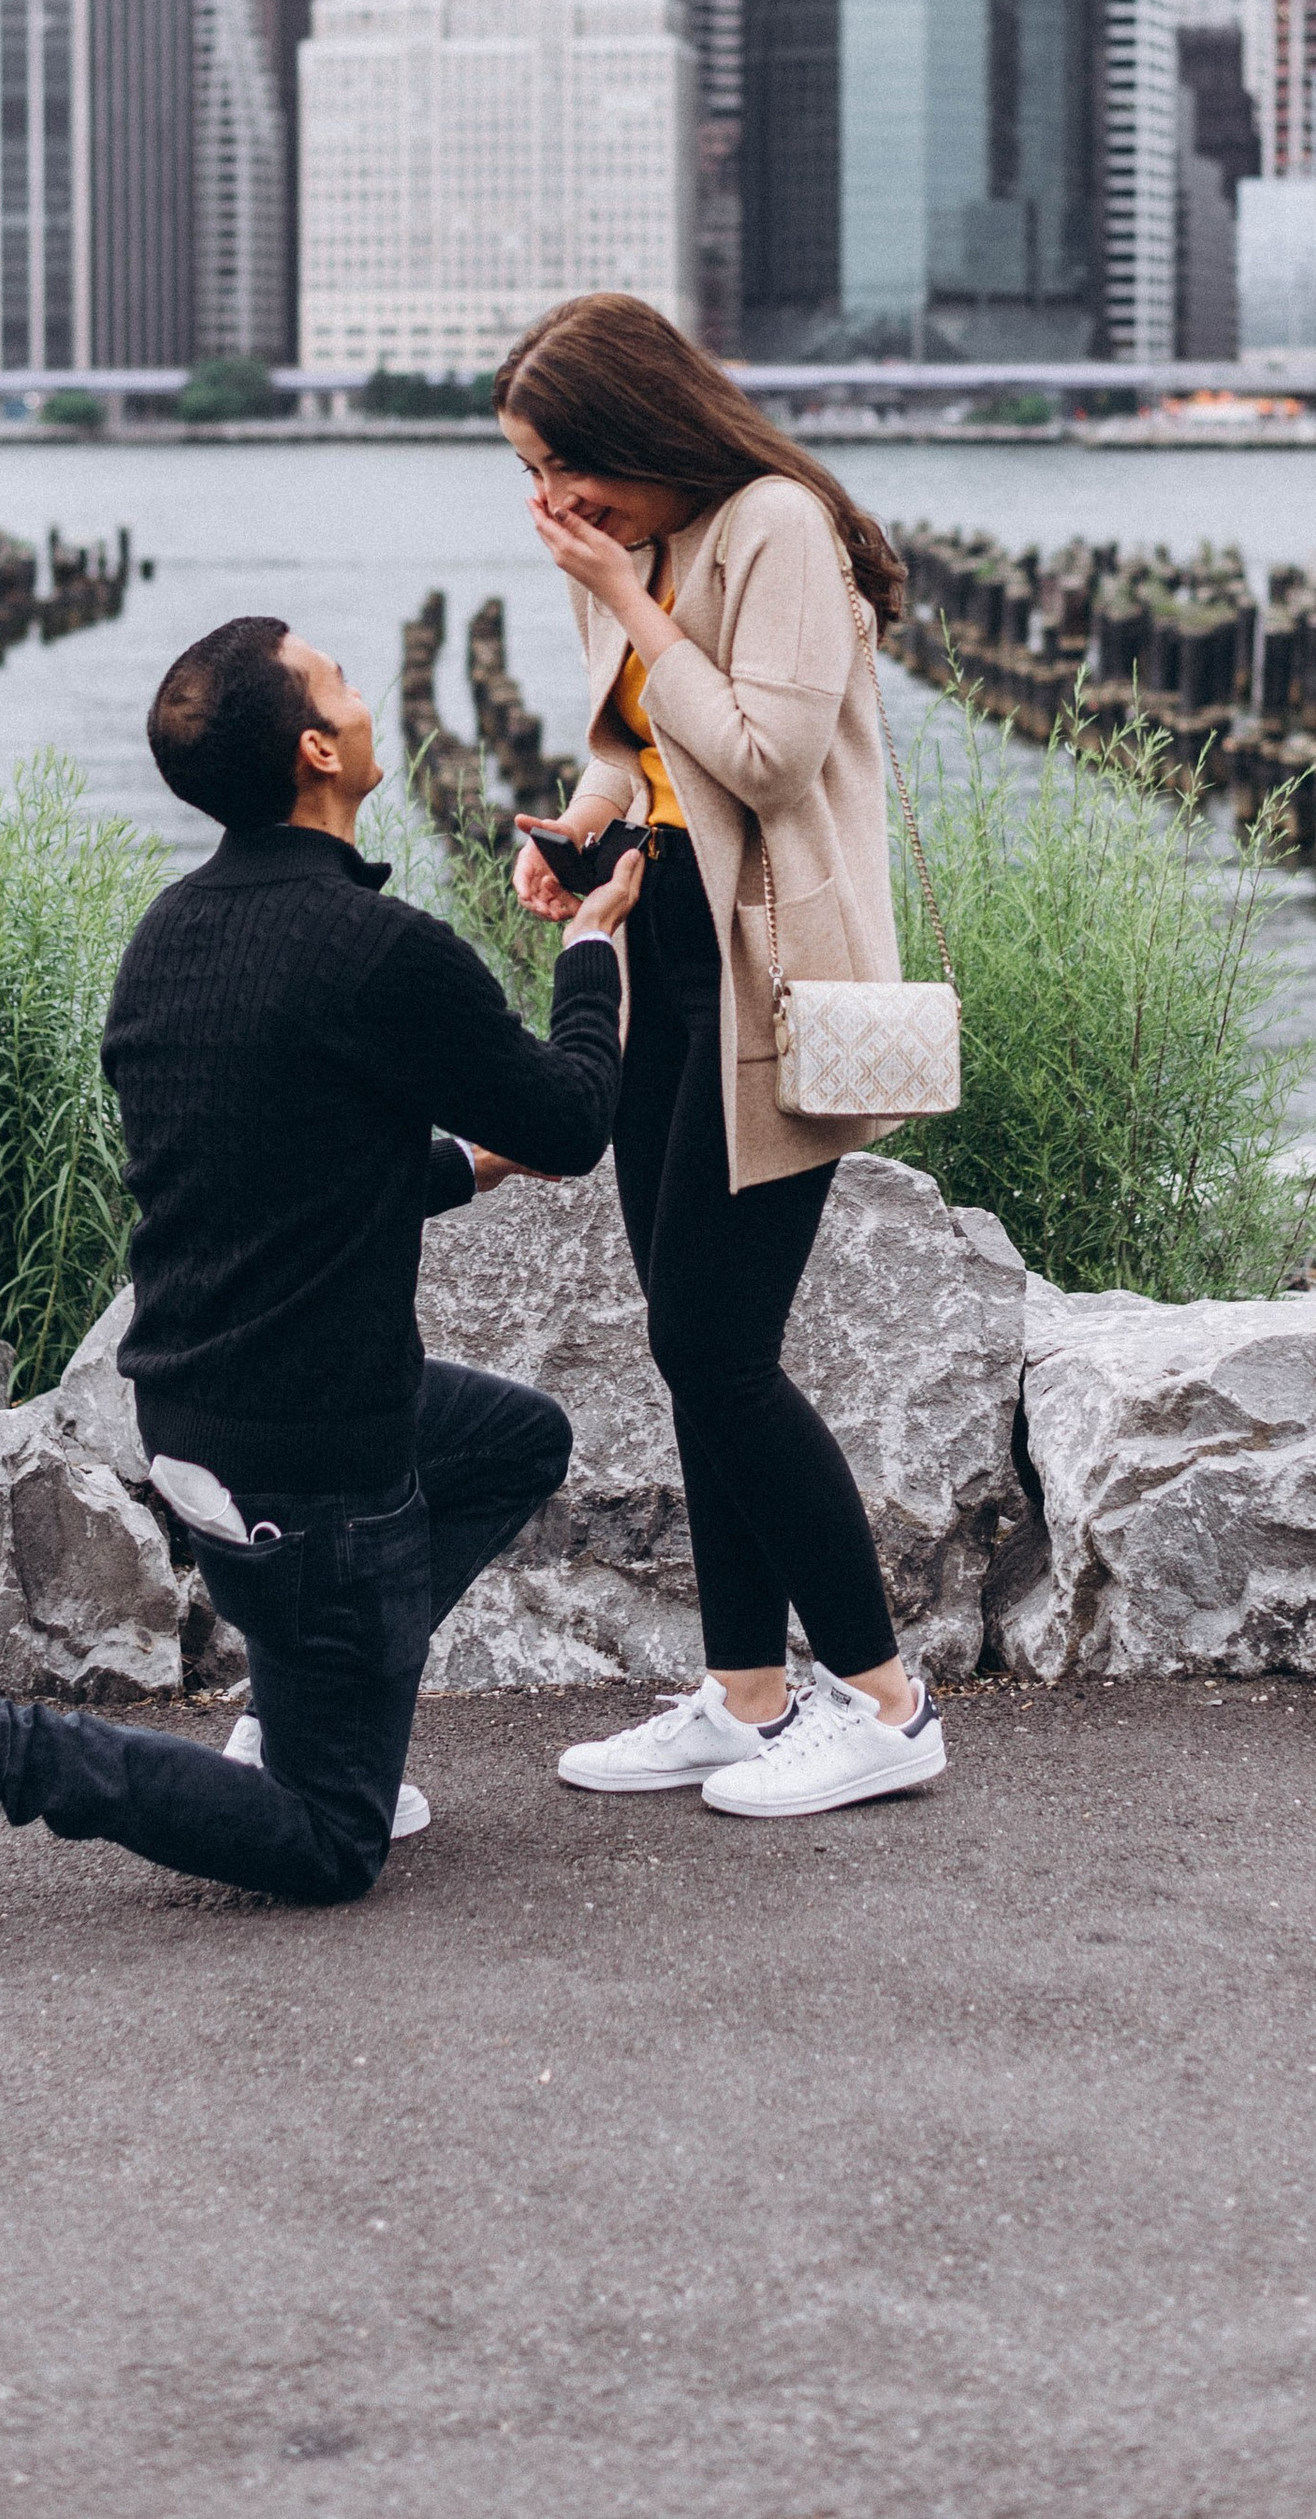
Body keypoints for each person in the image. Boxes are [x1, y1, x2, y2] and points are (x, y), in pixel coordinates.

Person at [0, 614, 641, 1943]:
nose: (362, 688)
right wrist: (593, 948)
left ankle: (301, 1707)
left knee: (515, 1441)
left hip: (202, 1415)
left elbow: (271, 1173)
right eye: (337, 678)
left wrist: (459, 1169)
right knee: (330, 1843)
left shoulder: (171, 935)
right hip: (314, 1466)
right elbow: (572, 1119)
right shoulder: (380, 952)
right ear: (319, 751)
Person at [496, 292, 948, 1822]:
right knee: (689, 1330)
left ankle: (885, 1701)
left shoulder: (776, 528)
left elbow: (766, 753)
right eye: (529, 479)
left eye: (566, 467)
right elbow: (644, 747)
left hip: (778, 978)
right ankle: (749, 1693)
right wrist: (582, 827)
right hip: (666, 958)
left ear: (637, 430)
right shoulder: (637, 551)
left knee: (718, 1347)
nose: (552, 506)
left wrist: (629, 599)